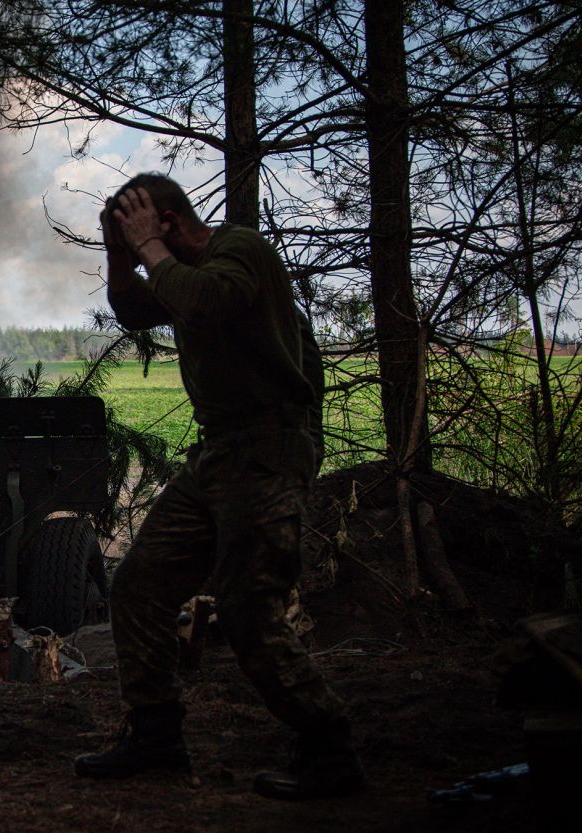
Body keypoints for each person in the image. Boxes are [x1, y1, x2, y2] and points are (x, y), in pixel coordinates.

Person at [74, 173, 363, 800]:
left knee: (248, 608)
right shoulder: (177, 271)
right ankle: (155, 735)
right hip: (218, 455)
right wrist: (120, 254)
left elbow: (203, 301)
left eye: (142, 231)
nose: (140, 246)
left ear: (170, 223)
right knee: (141, 585)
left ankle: (329, 745)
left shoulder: (241, 252)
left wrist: (148, 248)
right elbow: (133, 310)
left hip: (267, 450)